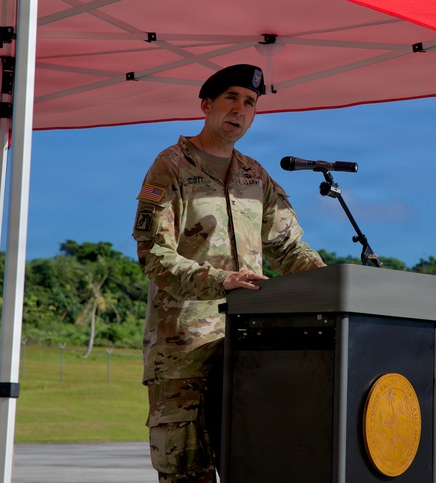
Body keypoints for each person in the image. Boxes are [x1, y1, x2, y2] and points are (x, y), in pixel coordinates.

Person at [132, 64, 325, 483]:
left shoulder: (254, 176)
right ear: (206, 105)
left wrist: (336, 287)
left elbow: (289, 248)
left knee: (255, 466)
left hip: (250, 347)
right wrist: (221, 281)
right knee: (187, 476)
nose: (240, 109)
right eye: (231, 98)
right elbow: (153, 256)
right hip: (184, 352)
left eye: (250, 103)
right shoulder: (170, 167)